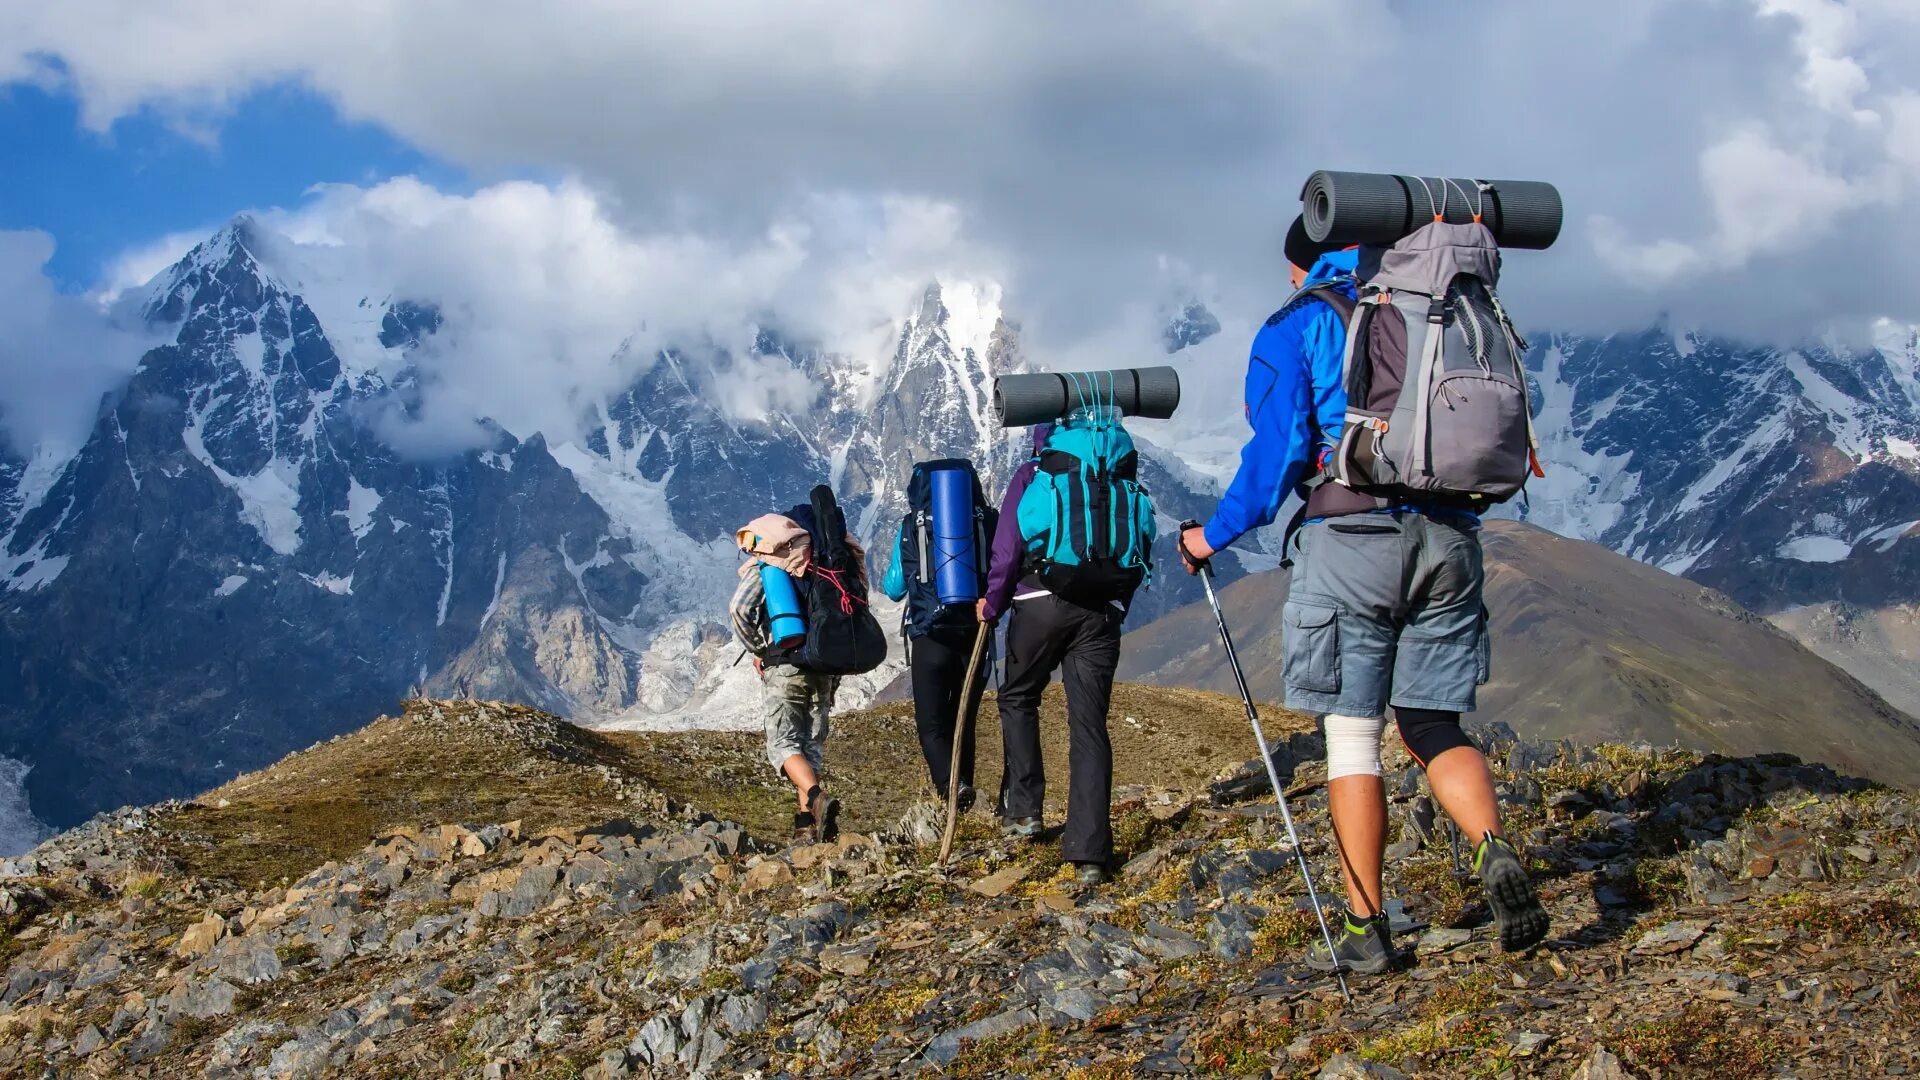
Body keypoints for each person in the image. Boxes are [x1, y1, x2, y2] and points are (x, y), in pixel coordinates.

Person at [1177, 240, 1549, 974]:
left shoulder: (1304, 321)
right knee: (1434, 723)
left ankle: (1364, 927)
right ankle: (1491, 847)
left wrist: (1210, 535)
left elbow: (1278, 450)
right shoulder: (1441, 305)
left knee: (1352, 737)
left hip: (1350, 541)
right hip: (1449, 537)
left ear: (1300, 261)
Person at [978, 423, 1134, 886]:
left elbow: (1008, 547)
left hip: (1039, 604)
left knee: (1018, 698)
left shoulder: (1034, 474)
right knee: (1089, 725)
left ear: (1041, 439)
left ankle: (1025, 813)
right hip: (1102, 610)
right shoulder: (1115, 477)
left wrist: (993, 602)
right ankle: (1090, 855)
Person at [881, 462, 993, 809]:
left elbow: (893, 588)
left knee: (931, 724)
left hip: (930, 635)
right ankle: (966, 790)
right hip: (975, 632)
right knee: (964, 719)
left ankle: (950, 788)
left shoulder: (911, 525)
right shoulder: (988, 519)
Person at [733, 509, 845, 844]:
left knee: (783, 745)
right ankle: (806, 828)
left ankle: (815, 797)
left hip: (785, 663)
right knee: (809, 749)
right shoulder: (826, 566)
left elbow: (739, 608)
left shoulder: (772, 561)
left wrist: (758, 650)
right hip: (824, 666)